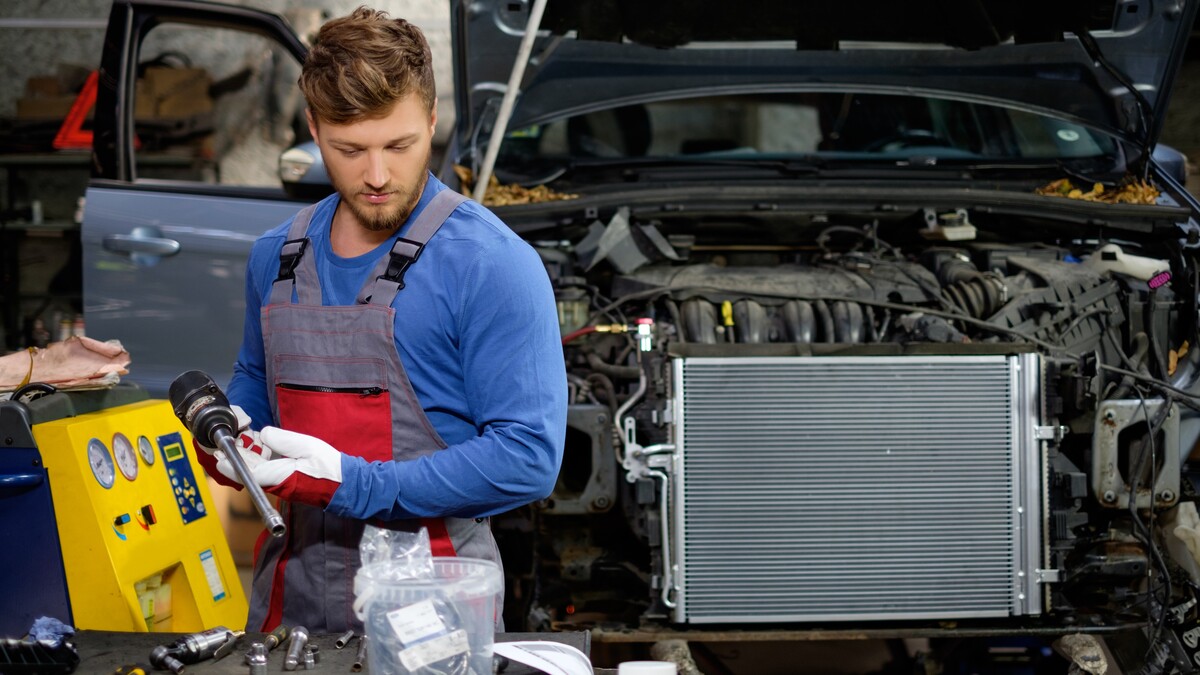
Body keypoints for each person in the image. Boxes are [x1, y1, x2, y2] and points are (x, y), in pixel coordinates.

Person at [193, 6, 567, 633]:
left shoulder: (491, 264)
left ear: (432, 117)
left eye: (399, 145)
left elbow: (528, 456)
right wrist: (231, 431)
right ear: (313, 128)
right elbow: (257, 379)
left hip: (436, 612)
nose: (375, 176)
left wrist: (352, 482)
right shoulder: (276, 258)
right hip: (292, 603)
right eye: (348, 149)